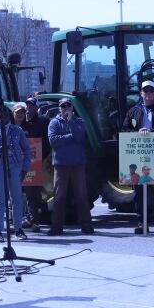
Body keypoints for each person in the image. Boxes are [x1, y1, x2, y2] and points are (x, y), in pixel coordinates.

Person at [122, 80, 154, 234]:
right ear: (141, 93)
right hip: (138, 153)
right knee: (139, 191)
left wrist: (153, 132)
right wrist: (137, 132)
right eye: (146, 91)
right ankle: (141, 223)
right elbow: (125, 130)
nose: (148, 94)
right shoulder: (133, 112)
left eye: (151, 91)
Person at [0, 106, 31, 241]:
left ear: (9, 116)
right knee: (0, 199)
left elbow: (27, 150)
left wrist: (25, 168)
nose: (2, 117)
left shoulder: (18, 130)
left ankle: (18, 229)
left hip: (15, 166)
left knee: (16, 198)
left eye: (4, 114)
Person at [47, 98, 94, 236]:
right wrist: (70, 137)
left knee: (81, 195)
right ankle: (56, 227)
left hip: (77, 164)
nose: (66, 108)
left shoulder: (78, 121)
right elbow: (53, 141)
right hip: (61, 165)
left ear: (72, 108)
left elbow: (79, 137)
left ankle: (86, 225)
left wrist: (71, 121)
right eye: (63, 106)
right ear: (59, 108)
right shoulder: (53, 123)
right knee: (59, 196)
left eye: (68, 105)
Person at [20, 97, 50, 232]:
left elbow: (47, 143)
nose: (29, 107)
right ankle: (31, 219)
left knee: (37, 193)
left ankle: (38, 219)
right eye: (27, 105)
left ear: (35, 107)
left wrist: (42, 158)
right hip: (23, 162)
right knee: (25, 192)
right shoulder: (21, 123)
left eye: (31, 105)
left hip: (38, 162)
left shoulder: (43, 121)